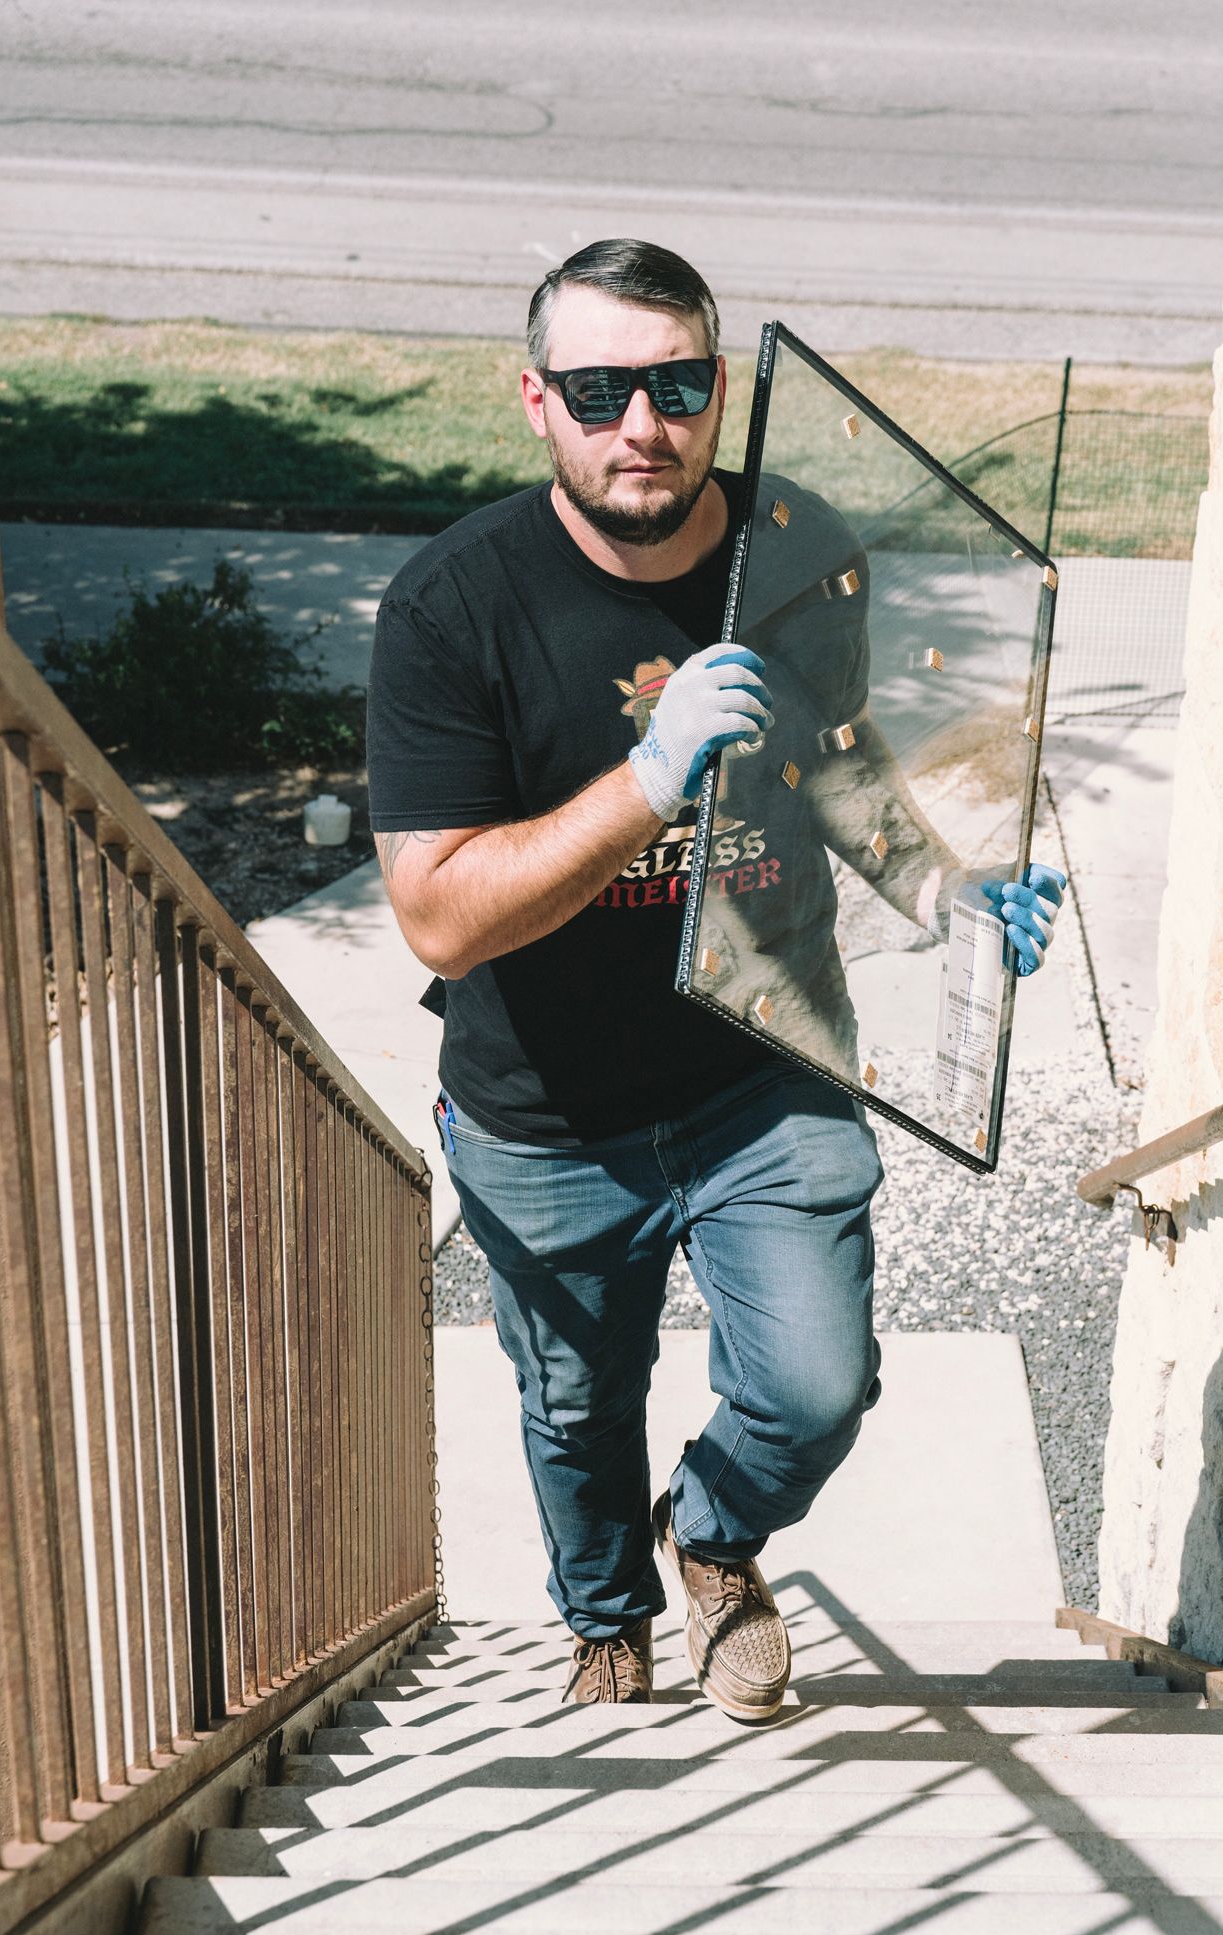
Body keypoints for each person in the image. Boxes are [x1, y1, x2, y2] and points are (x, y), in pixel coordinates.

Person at [366, 238, 1066, 1719]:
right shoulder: (455, 608)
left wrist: (946, 883)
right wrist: (647, 778)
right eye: (601, 388)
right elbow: (436, 917)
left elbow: (836, 759)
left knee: (817, 1387)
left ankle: (719, 1538)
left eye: (677, 383)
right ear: (536, 403)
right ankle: (606, 1623)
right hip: (544, 1113)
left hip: (767, 1055)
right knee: (574, 1408)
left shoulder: (801, 543)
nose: (645, 424)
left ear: (720, 387)